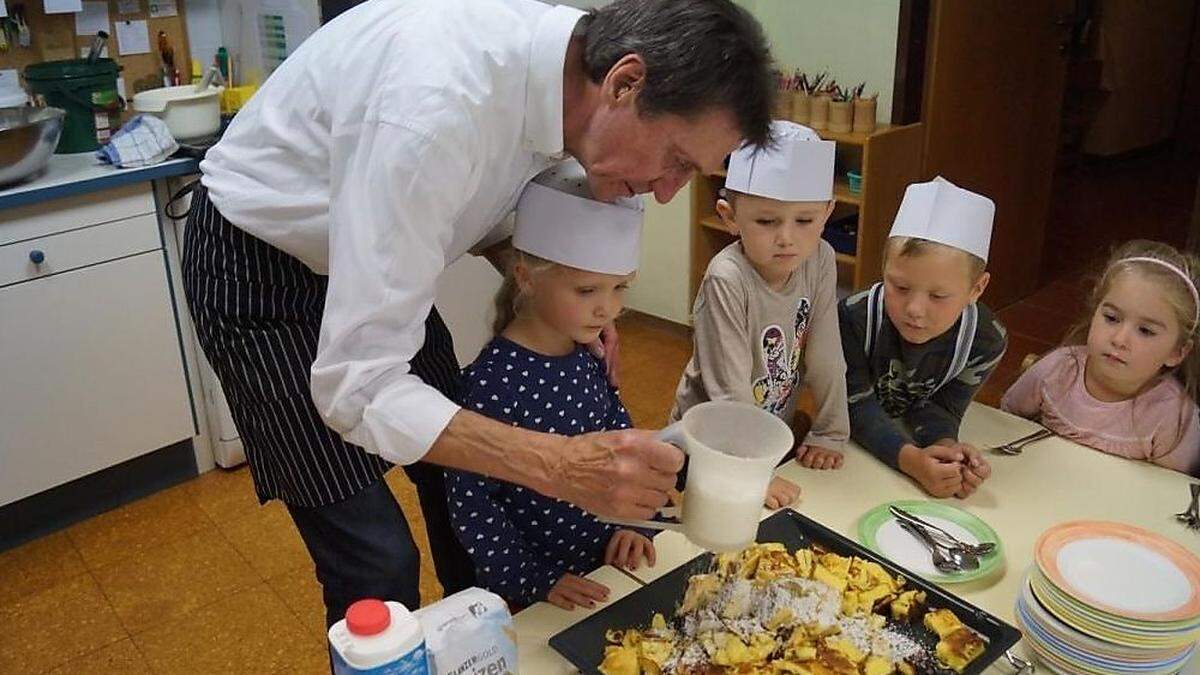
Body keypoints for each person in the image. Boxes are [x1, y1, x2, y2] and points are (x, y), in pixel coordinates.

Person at [182, 0, 774, 626]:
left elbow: (479, 202)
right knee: (375, 558)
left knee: (453, 490)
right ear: (625, 83)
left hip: (365, 248)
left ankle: (483, 644)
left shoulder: (562, 76)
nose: (666, 191)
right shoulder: (433, 111)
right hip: (263, 272)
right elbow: (357, 386)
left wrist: (565, 302)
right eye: (677, 160)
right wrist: (557, 463)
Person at [447, 162, 656, 611]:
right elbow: (473, 501)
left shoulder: (587, 353)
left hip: (604, 565)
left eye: (619, 288)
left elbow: (621, 440)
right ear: (525, 277)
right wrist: (532, 579)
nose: (607, 309)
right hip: (539, 590)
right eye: (586, 291)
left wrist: (633, 525)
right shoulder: (494, 381)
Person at [670, 121, 849, 511]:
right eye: (766, 221)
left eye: (805, 220)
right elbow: (728, 390)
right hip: (709, 442)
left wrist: (831, 432)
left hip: (766, 435)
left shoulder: (820, 259)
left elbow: (826, 354)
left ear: (827, 213)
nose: (787, 237)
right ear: (728, 216)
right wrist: (754, 471)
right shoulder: (727, 278)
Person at [839, 177, 1005, 499]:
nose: (914, 309)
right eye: (900, 288)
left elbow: (943, 406)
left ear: (977, 289)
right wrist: (913, 462)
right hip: (848, 461)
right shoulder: (853, 318)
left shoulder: (984, 340)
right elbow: (854, 405)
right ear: (884, 268)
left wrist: (947, 452)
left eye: (939, 296)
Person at [1002, 241, 1200, 474]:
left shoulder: (1173, 417)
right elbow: (1004, 423)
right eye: (1112, 318)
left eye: (1145, 331)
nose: (1119, 339)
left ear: (1177, 352)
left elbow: (1174, 488)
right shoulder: (1057, 369)